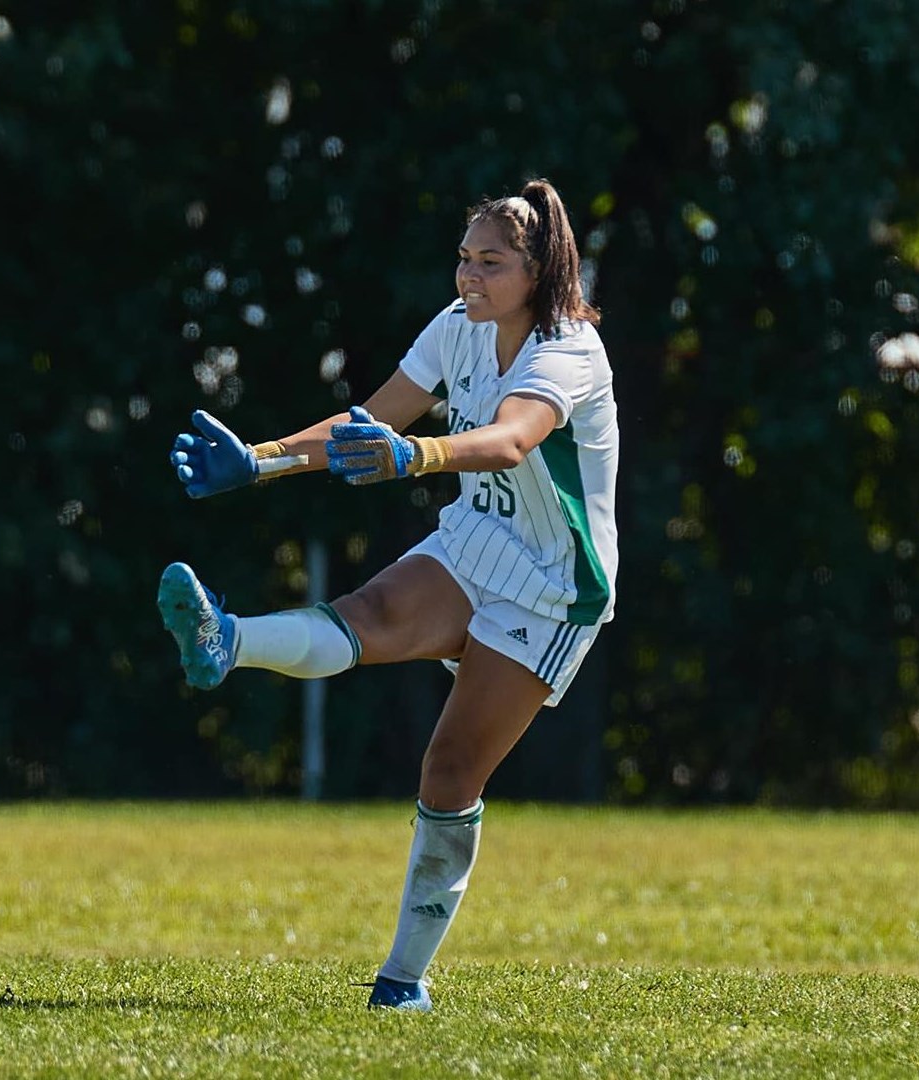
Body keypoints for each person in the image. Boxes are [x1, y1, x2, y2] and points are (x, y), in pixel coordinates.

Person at [158, 178, 619, 1012]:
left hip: (554, 586)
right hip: (477, 539)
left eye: (491, 262)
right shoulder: (459, 328)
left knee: (448, 772)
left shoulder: (569, 351)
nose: (469, 277)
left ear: (541, 272)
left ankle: (403, 979)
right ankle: (227, 640)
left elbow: (513, 440)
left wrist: (416, 458)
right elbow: (371, 419)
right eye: (463, 258)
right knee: (366, 613)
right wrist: (257, 462)